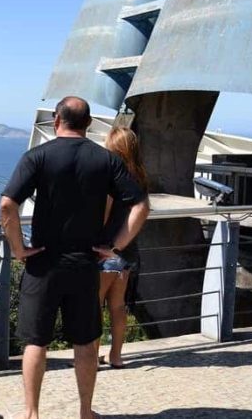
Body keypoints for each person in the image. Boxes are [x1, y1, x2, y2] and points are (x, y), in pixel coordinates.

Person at [0, 97, 149, 419]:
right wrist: (116, 247)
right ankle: (85, 412)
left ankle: (31, 413)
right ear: (89, 123)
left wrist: (17, 249)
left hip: (42, 263)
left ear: (56, 120)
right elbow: (141, 206)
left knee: (36, 342)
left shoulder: (37, 157)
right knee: (85, 342)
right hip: (85, 264)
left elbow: (7, 205)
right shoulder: (105, 160)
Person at [98, 126, 149, 369]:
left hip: (106, 250)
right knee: (117, 306)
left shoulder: (111, 177)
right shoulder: (138, 177)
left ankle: (91, 356)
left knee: (93, 305)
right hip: (127, 250)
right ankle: (116, 355)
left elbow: (104, 213)